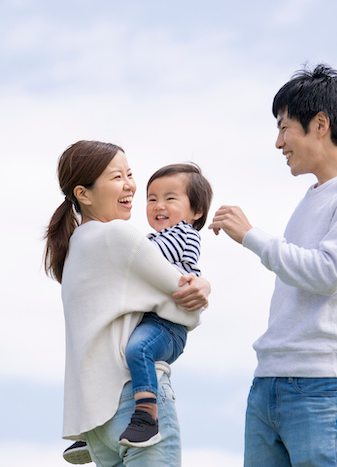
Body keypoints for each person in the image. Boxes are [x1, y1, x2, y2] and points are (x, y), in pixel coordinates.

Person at [209, 64, 337, 466]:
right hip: (267, 382)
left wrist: (251, 235)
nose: (278, 143)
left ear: (320, 124)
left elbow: (327, 273)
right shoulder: (312, 196)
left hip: (320, 386)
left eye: (284, 127)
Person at [44, 141, 211, 467]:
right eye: (117, 176)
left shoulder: (75, 248)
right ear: (84, 194)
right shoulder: (119, 236)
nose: (130, 185)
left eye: (130, 174)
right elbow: (187, 303)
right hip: (135, 401)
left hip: (95, 420)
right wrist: (203, 285)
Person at [118, 163, 213, 448]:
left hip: (167, 326)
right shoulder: (149, 238)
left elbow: (147, 258)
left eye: (170, 198)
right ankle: (95, 426)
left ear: (196, 212)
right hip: (149, 321)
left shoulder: (184, 233)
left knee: (139, 349)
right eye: (152, 198)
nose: (159, 205)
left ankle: (147, 417)